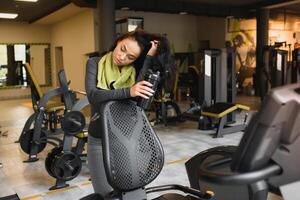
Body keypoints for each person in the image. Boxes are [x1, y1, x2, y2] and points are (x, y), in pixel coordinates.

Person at [85, 29, 174, 196]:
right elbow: (93, 96)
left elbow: (137, 95)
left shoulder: (132, 72)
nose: (122, 57)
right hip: (98, 139)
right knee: (105, 193)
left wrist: (149, 56)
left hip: (125, 139)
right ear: (118, 41)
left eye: (130, 57)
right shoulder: (94, 63)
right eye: (123, 49)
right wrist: (128, 92)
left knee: (131, 190)